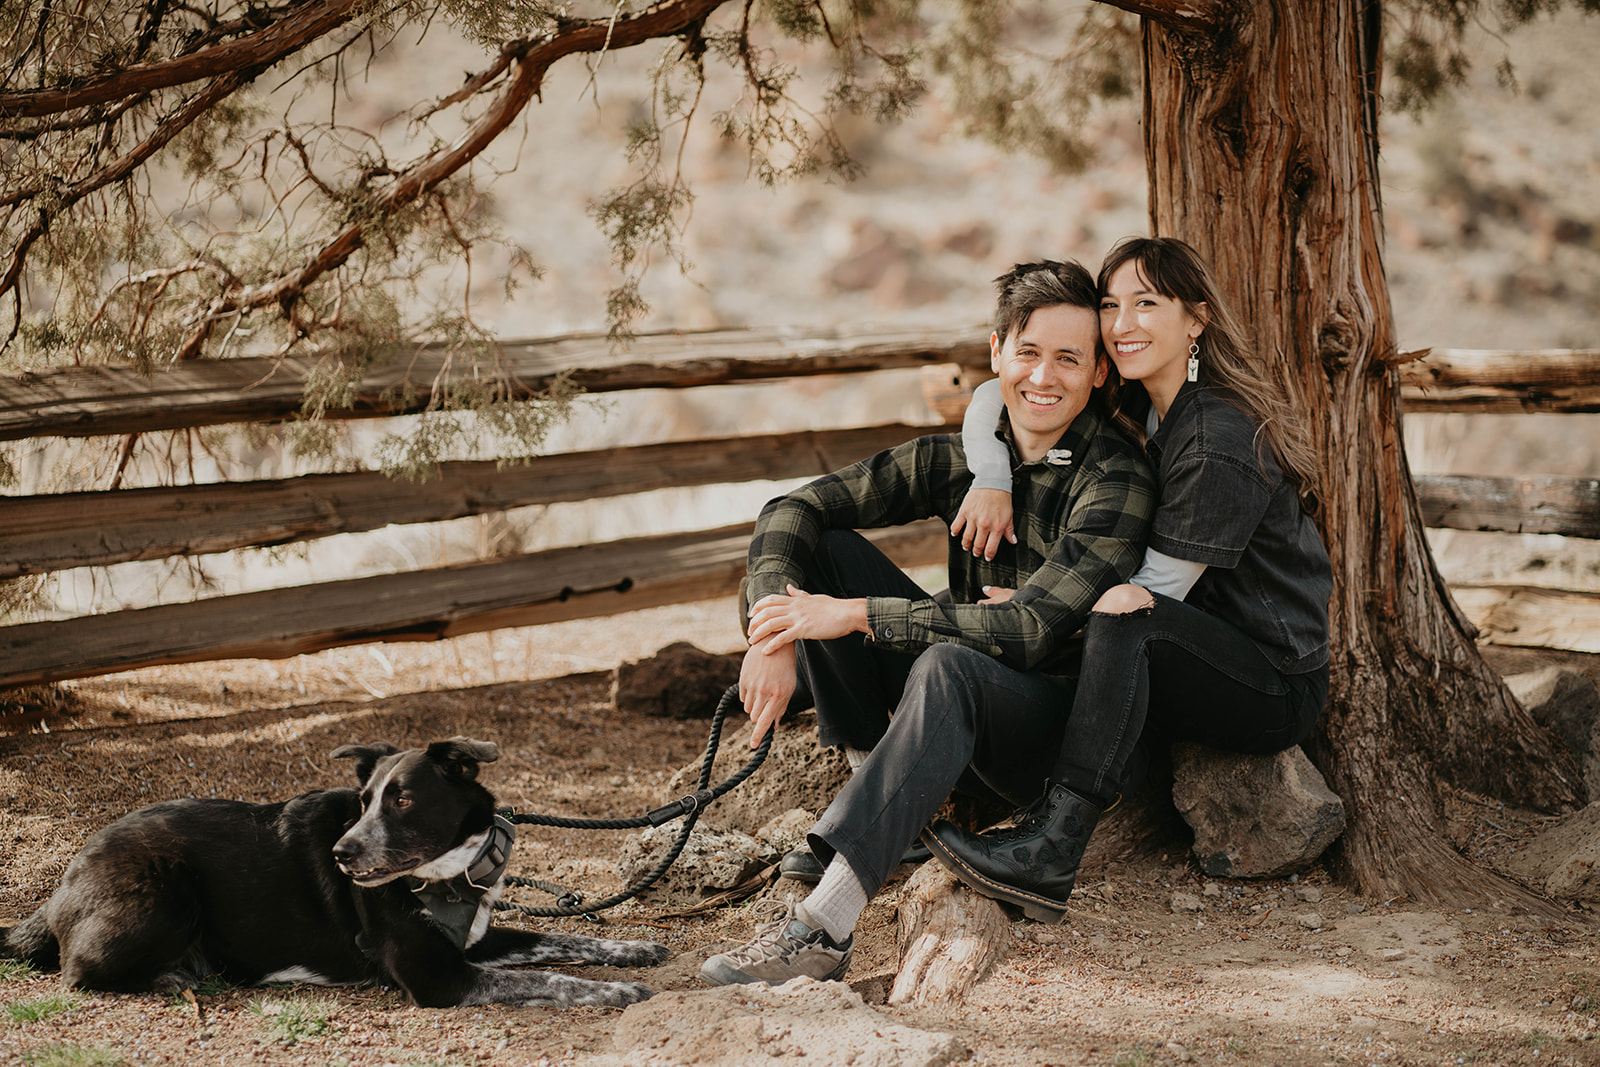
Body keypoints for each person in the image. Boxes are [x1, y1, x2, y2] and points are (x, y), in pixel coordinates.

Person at [698, 260, 1156, 986]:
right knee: (832, 551)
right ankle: (881, 806)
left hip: (1042, 733)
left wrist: (854, 615)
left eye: (1070, 358)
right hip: (945, 704)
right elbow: (792, 509)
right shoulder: (971, 459)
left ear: (1100, 373)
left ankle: (825, 925)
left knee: (944, 661)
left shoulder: (1116, 479)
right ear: (996, 351)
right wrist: (773, 633)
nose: (1045, 376)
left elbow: (1034, 630)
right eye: (1029, 352)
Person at [924, 236, 1333, 924]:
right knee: (959, 609)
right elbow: (997, 390)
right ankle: (929, 799)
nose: (1122, 323)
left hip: (1270, 677)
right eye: (1111, 304)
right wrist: (993, 478)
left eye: (1147, 303)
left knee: (1120, 612)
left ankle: (1052, 845)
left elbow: (1156, 592)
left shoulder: (1217, 437)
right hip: (1191, 648)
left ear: (1195, 320)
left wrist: (1037, 611)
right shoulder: (1146, 406)